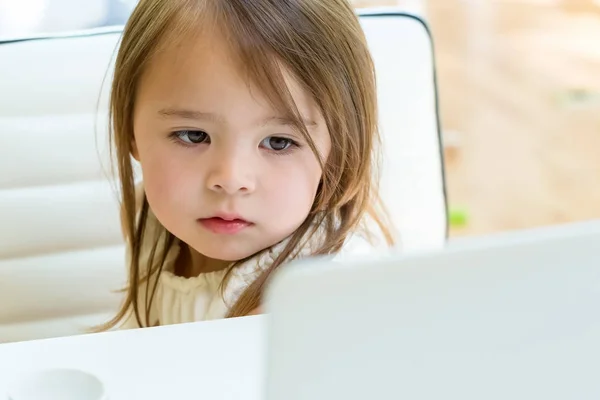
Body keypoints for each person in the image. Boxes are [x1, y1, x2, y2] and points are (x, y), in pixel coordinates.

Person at [100, 0, 395, 330]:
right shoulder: (148, 219)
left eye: (278, 142)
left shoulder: (313, 300)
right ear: (130, 132)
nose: (230, 179)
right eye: (193, 135)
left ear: (337, 152)